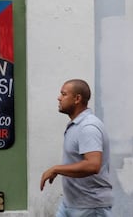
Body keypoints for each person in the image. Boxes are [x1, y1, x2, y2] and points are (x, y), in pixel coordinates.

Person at [40, 79, 113, 217]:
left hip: (90, 207)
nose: (59, 98)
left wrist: (56, 169)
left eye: (63, 94)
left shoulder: (88, 127)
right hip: (71, 204)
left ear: (77, 99)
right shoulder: (77, 125)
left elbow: (93, 165)